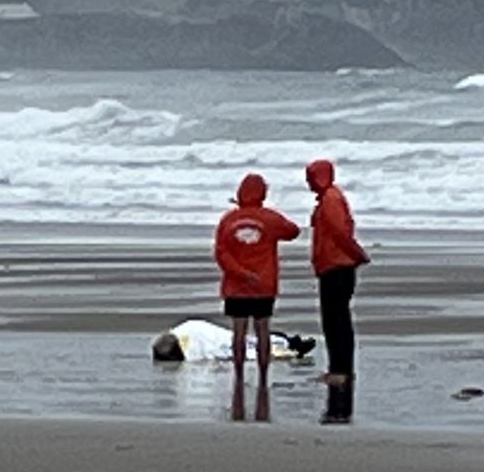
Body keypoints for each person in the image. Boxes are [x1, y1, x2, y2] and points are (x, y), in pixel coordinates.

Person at [212, 173, 301, 421]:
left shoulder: (228, 220)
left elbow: (221, 252)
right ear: (262, 193)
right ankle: (263, 375)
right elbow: (293, 231)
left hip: (237, 285)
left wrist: (239, 272)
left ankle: (239, 374)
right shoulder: (269, 219)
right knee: (263, 330)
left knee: (238, 331)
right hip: (264, 283)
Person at [305, 158, 372, 423]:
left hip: (338, 266)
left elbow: (339, 234)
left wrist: (358, 254)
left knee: (335, 320)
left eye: (311, 176)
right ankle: (339, 367)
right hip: (333, 266)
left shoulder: (331, 199)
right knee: (335, 319)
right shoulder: (328, 198)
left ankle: (341, 369)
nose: (308, 182)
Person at [150, 320, 316, 364]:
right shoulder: (187, 335)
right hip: (193, 339)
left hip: (193, 337)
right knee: (245, 344)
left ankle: (287, 345)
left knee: (243, 343)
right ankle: (289, 345)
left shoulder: (186, 332)